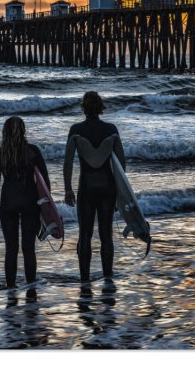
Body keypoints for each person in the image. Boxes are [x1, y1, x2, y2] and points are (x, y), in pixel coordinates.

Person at [63, 91, 126, 283]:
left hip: (87, 186)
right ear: (101, 108)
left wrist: (68, 189)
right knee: (106, 234)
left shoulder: (76, 129)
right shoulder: (111, 129)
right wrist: (121, 194)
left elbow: (67, 162)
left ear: (83, 108)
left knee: (85, 234)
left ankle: (84, 279)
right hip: (107, 187)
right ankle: (108, 276)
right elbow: (121, 165)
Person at [0, 116, 50, 289]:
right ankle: (31, 288)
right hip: (30, 201)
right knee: (28, 248)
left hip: (8, 202)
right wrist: (46, 208)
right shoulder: (33, 151)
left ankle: (11, 289)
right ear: (23, 131)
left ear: (4, 132)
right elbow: (44, 183)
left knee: (11, 248)